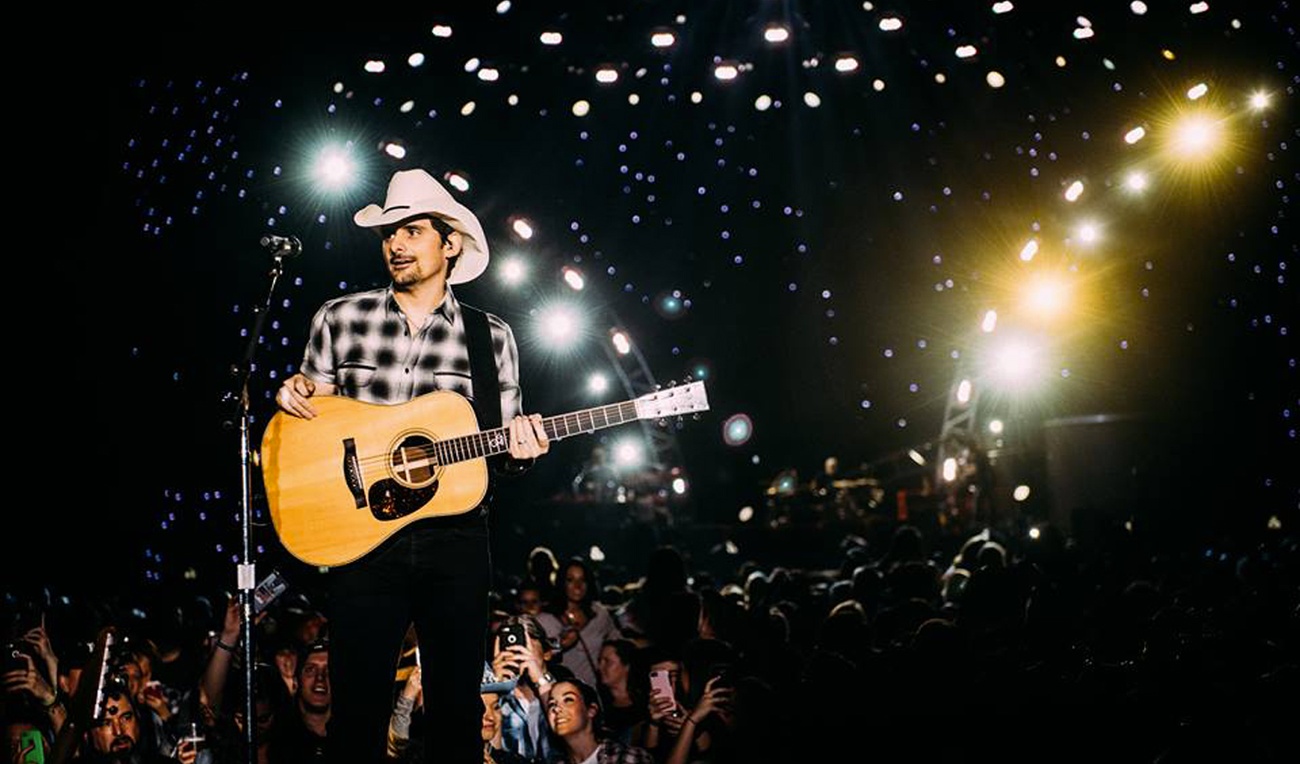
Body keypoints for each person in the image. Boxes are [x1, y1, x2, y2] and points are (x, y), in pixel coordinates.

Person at [275, 167, 551, 762]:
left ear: (450, 244)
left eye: (412, 231)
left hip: (455, 536)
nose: (395, 244)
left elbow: (501, 453)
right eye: (389, 233)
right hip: (363, 538)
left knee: (456, 710)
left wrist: (521, 452)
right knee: (357, 713)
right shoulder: (339, 318)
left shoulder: (490, 336)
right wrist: (293, 395)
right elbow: (310, 422)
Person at [537, 558, 622, 688]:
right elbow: (536, 657)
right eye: (570, 580)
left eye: (583, 580)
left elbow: (617, 642)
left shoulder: (600, 614)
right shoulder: (545, 620)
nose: (578, 586)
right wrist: (561, 645)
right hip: (561, 692)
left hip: (594, 691)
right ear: (562, 583)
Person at [546, 679, 652, 764]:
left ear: (591, 710)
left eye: (568, 700)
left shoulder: (626, 757)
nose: (556, 709)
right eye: (552, 704)